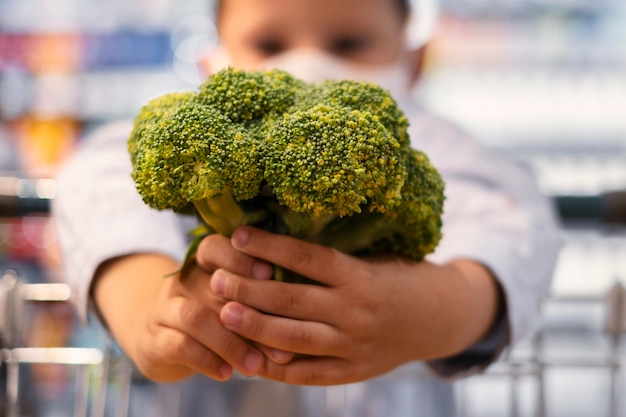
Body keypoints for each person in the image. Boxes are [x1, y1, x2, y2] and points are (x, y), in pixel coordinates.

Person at [52, 0, 563, 415]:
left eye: (350, 43)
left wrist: (441, 306)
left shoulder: (429, 143)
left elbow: (512, 214)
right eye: (268, 44)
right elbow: (97, 175)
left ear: (416, 58)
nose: (307, 63)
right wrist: (149, 307)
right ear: (211, 61)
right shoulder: (204, 132)